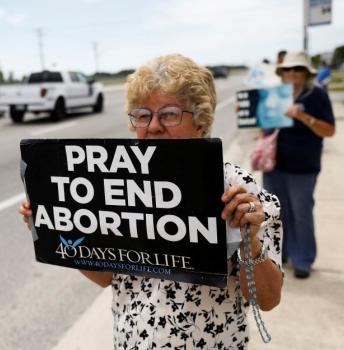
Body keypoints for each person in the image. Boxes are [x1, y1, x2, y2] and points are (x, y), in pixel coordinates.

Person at [19, 54, 284, 349]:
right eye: (143, 115)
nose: (153, 126)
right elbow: (107, 277)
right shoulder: (115, 188)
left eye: (169, 114)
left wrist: (252, 240)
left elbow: (268, 298)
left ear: (200, 120)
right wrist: (51, 225)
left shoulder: (236, 190)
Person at [263, 52, 336, 279]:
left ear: (307, 73)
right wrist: (249, 113)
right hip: (274, 165)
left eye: (298, 69)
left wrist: (305, 118)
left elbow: (330, 130)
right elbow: (265, 127)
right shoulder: (274, 95)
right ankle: (280, 255)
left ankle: (303, 259)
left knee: (301, 214)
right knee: (274, 214)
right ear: (281, 72)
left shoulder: (317, 96)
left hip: (303, 167)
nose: (292, 73)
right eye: (288, 69)